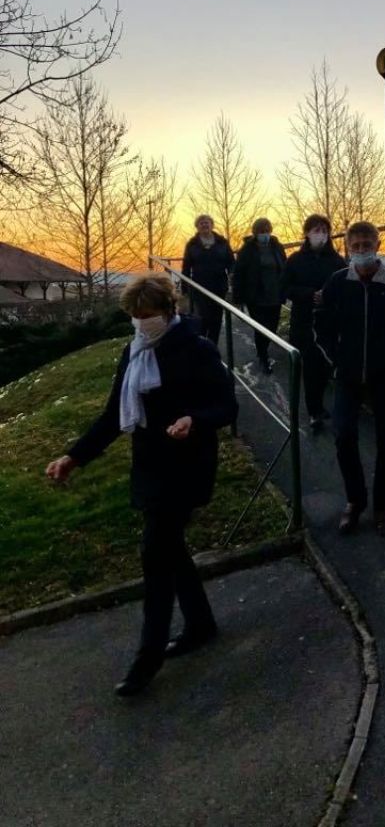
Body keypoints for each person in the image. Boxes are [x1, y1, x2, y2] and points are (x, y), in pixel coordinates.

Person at [45, 273, 238, 697]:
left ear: (169, 311)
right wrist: (74, 458)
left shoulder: (197, 349)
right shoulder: (133, 351)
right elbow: (115, 414)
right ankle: (200, 624)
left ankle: (147, 658)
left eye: (146, 315)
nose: (140, 322)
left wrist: (194, 419)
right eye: (134, 316)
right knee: (170, 549)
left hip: (187, 466)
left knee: (156, 554)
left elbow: (226, 405)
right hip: (151, 466)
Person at [314, 221, 385, 537]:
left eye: (367, 244)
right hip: (347, 376)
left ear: (378, 245)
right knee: (343, 435)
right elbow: (321, 325)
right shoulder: (337, 282)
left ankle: (383, 509)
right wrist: (336, 360)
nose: (362, 250)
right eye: (356, 245)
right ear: (348, 247)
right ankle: (355, 500)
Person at [281, 214, 346, 430]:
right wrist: (309, 294)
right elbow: (285, 288)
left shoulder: (336, 261)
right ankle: (314, 411)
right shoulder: (295, 260)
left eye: (324, 231)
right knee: (310, 368)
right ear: (307, 233)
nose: (321, 235)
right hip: (304, 322)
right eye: (316, 230)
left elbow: (345, 287)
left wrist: (328, 296)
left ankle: (319, 404)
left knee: (325, 365)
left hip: (329, 322)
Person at [232, 217, 287, 373]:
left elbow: (285, 266)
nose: (265, 234)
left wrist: (287, 287)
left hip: (275, 293)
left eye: (267, 230)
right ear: (255, 232)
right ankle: (263, 357)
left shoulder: (277, 246)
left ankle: (264, 350)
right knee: (261, 327)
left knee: (272, 327)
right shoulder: (247, 250)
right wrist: (238, 296)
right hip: (256, 295)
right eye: (262, 231)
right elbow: (239, 273)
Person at [180, 214, 236, 345]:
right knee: (203, 317)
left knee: (216, 318)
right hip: (200, 286)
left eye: (207, 222)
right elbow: (186, 267)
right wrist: (185, 288)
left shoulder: (222, 242)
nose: (204, 225)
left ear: (212, 225)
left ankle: (213, 345)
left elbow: (231, 262)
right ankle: (202, 344)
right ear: (197, 227)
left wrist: (232, 273)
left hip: (219, 285)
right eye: (201, 223)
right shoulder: (192, 244)